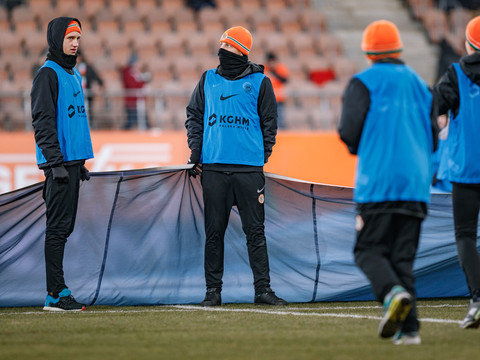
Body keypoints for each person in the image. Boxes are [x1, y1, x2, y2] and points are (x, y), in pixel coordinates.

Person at [338, 20, 438, 345]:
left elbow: (349, 134)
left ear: (368, 51)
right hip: (416, 185)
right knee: (402, 258)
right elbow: (434, 138)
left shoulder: (363, 82)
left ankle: (390, 293)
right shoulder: (422, 85)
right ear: (398, 48)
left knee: (367, 250)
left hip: (379, 182)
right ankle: (409, 331)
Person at [185, 26, 287, 307]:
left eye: (228, 46)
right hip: (214, 169)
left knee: (255, 232)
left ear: (241, 51)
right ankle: (212, 293)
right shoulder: (207, 80)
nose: (222, 51)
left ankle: (262, 291)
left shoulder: (260, 82)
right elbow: (194, 115)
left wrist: (261, 155)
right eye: (221, 45)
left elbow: (270, 123)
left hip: (248, 170)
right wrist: (196, 150)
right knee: (214, 233)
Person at [31, 17, 94, 311]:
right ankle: (55, 293)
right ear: (57, 39)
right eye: (70, 38)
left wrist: (77, 162)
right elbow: (43, 122)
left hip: (69, 164)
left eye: (78, 38)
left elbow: (74, 120)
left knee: (64, 229)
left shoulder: (74, 74)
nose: (75, 43)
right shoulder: (48, 74)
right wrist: (55, 163)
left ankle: (57, 290)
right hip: (57, 166)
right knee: (57, 229)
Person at [434, 15, 480, 329]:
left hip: (466, 171)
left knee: (465, 235)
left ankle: (477, 299)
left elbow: (437, 112)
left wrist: (444, 122)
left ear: (468, 43)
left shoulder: (455, 75)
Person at [121, 52, 151, 130]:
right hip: (132, 102)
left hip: (139, 101)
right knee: (131, 121)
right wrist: (143, 80)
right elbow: (132, 85)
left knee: (143, 120)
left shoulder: (136, 73)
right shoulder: (127, 73)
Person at [76, 50, 104, 128]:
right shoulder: (69, 68)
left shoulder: (87, 68)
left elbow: (99, 80)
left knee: (86, 116)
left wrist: (97, 86)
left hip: (86, 97)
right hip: (73, 97)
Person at [264, 51, 289, 129]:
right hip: (267, 99)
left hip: (279, 98)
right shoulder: (264, 69)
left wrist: (273, 72)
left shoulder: (280, 68)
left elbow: (284, 80)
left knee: (280, 119)